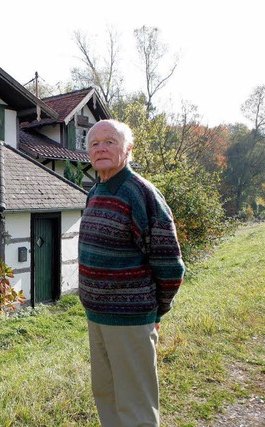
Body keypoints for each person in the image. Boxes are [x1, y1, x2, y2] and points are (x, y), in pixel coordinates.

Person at [78, 119, 185, 426]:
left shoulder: (140, 193)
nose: (101, 148)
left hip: (131, 319)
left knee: (136, 406)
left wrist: (155, 313)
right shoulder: (96, 190)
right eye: (94, 143)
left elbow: (170, 265)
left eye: (110, 142)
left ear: (128, 149)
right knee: (107, 396)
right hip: (97, 317)